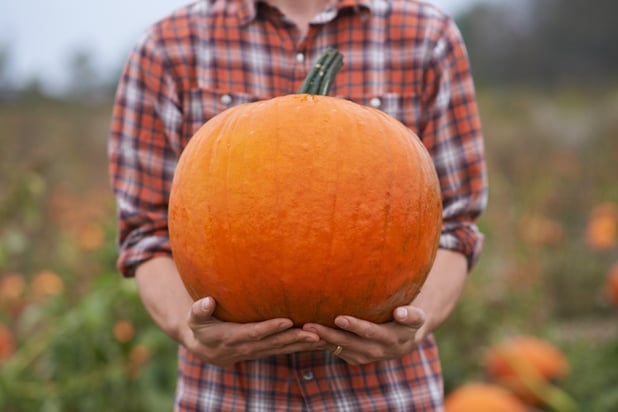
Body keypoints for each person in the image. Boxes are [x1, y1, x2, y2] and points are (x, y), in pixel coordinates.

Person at [108, 0, 488, 410]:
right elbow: (145, 234)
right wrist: (190, 330)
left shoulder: (427, 35)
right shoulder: (168, 46)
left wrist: (417, 324)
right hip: (232, 397)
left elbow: (456, 227)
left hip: (385, 395)